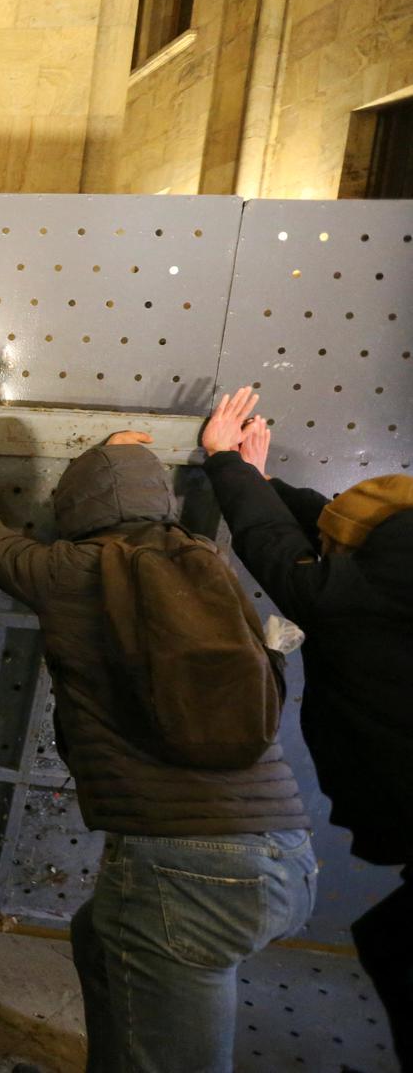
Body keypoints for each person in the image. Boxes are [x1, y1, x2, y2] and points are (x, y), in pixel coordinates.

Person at [0, 416, 315, 1073]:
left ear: (75, 504)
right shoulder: (205, 563)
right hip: (286, 851)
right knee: (99, 942)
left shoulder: (70, 568)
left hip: (184, 872)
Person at [200, 387, 413, 1067]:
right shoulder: (395, 579)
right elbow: (317, 530)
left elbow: (280, 550)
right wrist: (256, 478)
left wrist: (221, 463)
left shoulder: (362, 598)